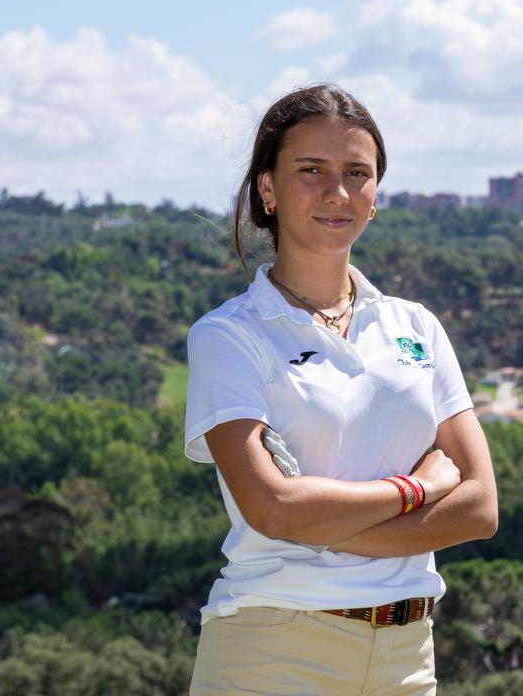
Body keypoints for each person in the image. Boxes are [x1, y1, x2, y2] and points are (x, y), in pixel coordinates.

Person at [183, 84, 498, 695]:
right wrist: (417, 489)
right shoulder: (228, 336)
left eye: (358, 172)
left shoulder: (417, 327)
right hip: (275, 650)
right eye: (311, 171)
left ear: (376, 194)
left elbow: (480, 508)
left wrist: (322, 527)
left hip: (408, 659)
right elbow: (272, 509)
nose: (338, 192)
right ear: (266, 190)